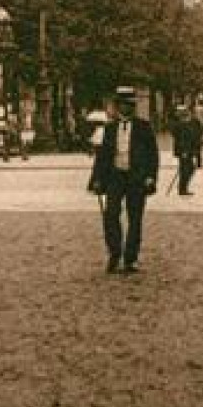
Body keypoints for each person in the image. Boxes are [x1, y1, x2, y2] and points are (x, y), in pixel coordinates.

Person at [90, 86, 159, 274]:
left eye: (129, 105)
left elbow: (153, 155)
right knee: (110, 215)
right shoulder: (109, 129)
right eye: (122, 104)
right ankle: (114, 252)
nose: (125, 108)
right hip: (115, 176)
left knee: (135, 218)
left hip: (137, 178)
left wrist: (151, 177)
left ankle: (131, 258)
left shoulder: (144, 127)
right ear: (117, 106)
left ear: (133, 106)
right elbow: (102, 156)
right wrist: (96, 179)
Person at [172, 105, 203, 196]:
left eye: (184, 111)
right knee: (186, 169)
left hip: (188, 149)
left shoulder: (189, 122)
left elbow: (194, 134)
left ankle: (183, 187)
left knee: (188, 169)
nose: (185, 113)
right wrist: (183, 151)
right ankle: (182, 189)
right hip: (183, 150)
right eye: (182, 112)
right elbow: (180, 139)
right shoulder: (179, 124)